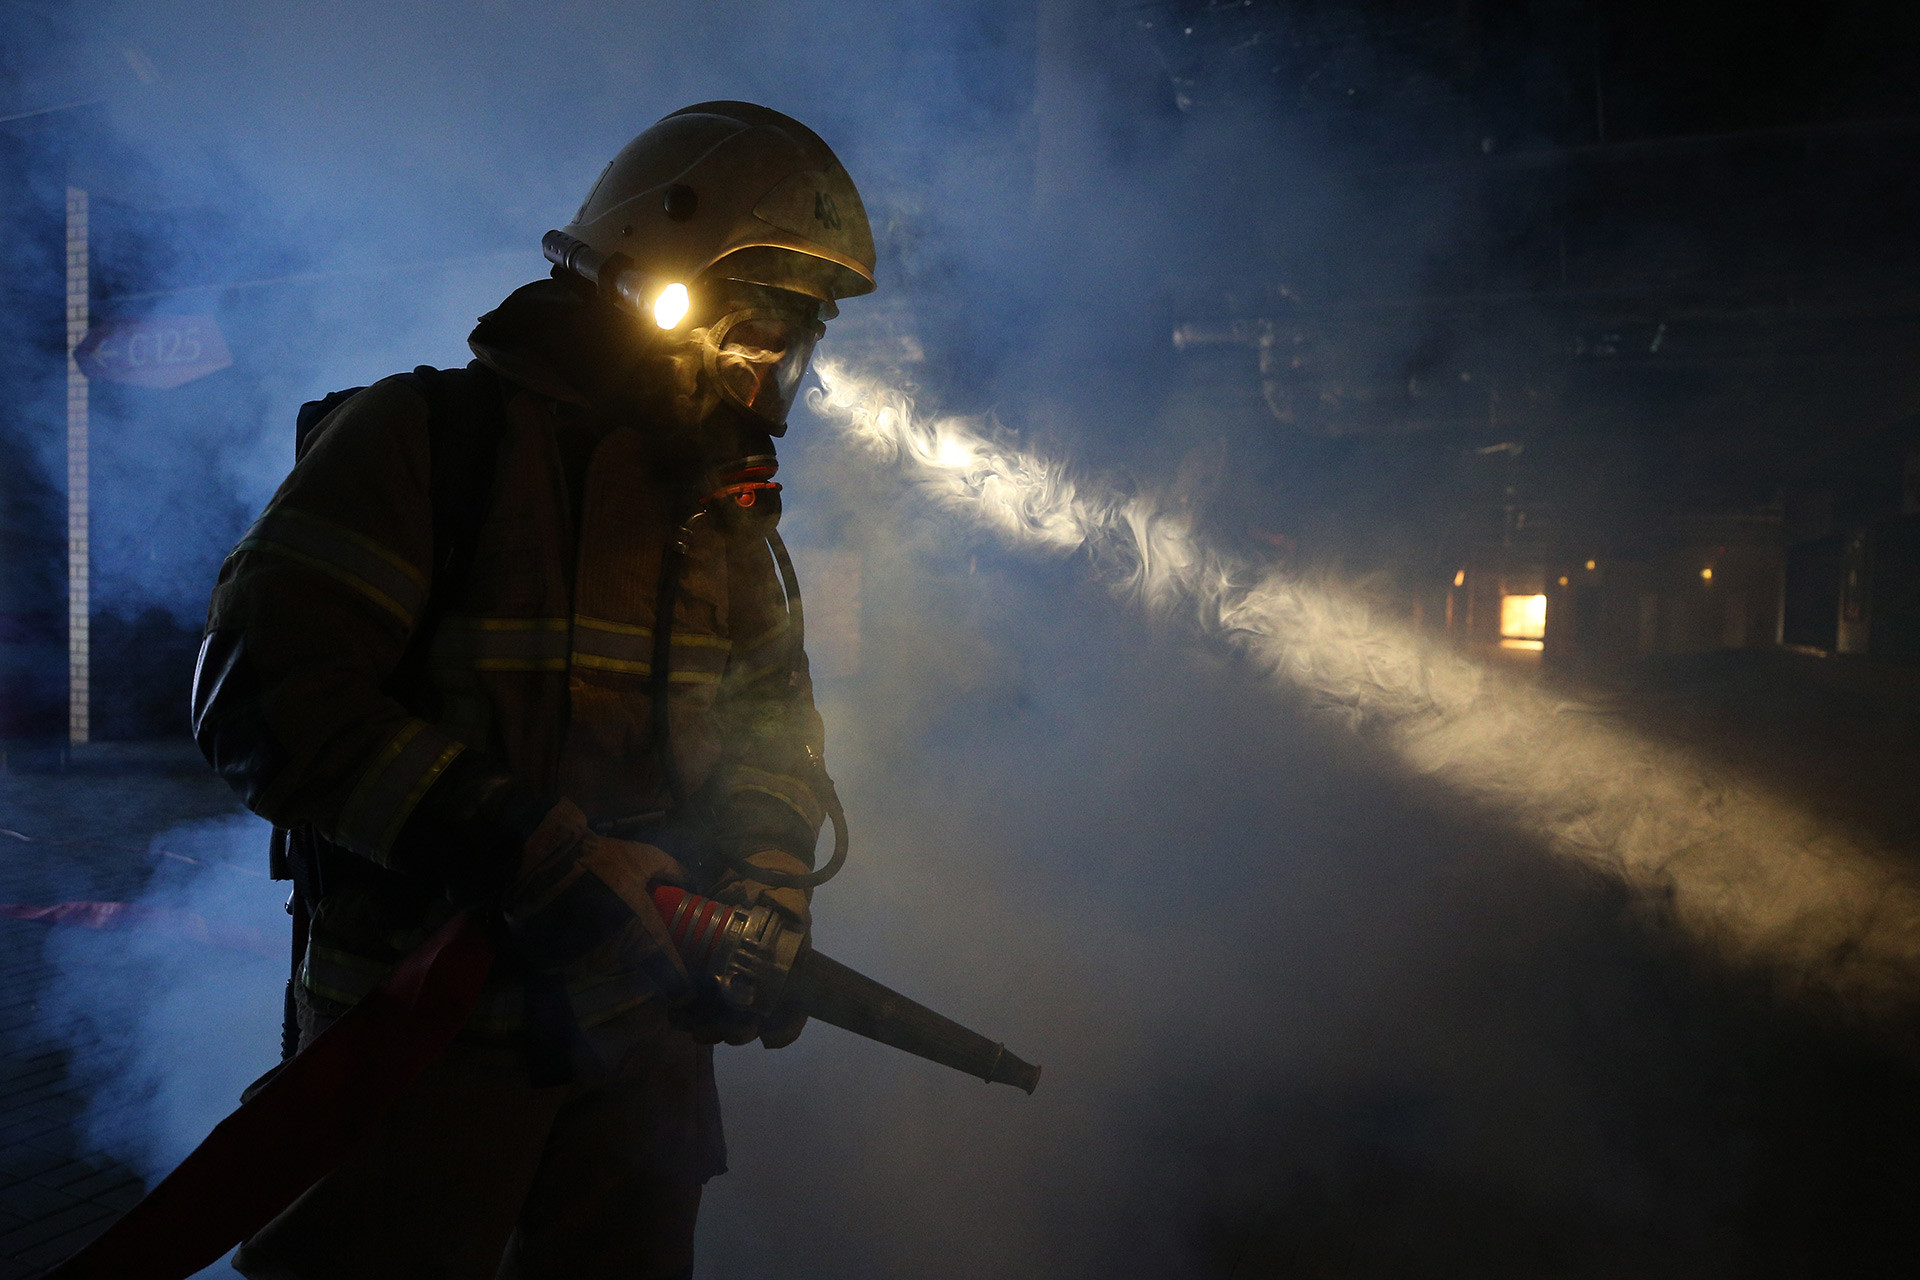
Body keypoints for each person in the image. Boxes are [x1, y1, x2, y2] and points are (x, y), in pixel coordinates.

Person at [189, 100, 876, 1280]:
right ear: (654, 290)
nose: (768, 387)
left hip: (641, 1055)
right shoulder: (423, 441)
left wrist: (767, 875)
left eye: (790, 351)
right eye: (749, 340)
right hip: (426, 1040)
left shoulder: (721, 511)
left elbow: (776, 715)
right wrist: (526, 848)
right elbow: (266, 692)